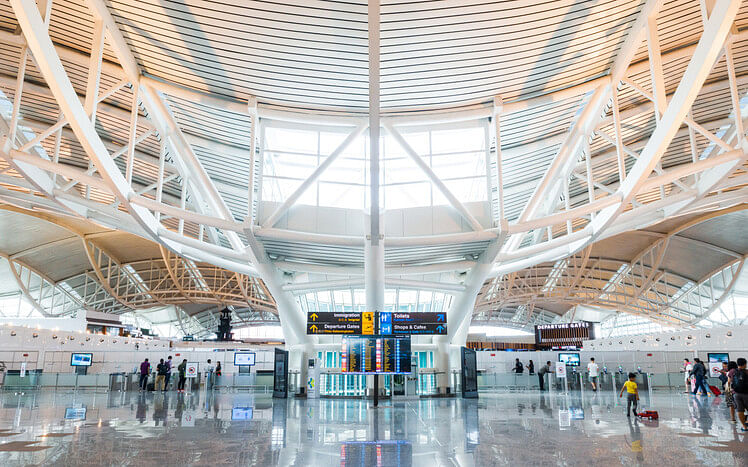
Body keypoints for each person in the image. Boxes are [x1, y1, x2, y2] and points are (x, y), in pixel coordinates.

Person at [732, 357, 748, 432]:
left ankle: (744, 427)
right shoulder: (747, 372)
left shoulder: (733, 372)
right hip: (746, 394)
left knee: (740, 410)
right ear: (745, 364)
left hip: (736, 394)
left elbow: (730, 382)